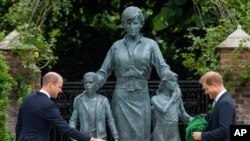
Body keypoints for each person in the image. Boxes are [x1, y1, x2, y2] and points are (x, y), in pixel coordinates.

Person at [96, 6, 177, 141]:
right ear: (123, 24)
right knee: (123, 136)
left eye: (136, 23)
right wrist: (93, 81)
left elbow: (162, 67)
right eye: (129, 23)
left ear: (141, 24)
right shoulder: (116, 46)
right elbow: (103, 72)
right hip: (121, 97)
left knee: (141, 135)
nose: (132, 26)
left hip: (141, 95)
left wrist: (171, 77)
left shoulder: (150, 45)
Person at [15, 72, 104, 141]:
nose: (60, 90)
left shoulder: (28, 99)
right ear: (51, 84)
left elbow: (19, 125)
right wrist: (91, 139)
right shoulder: (48, 105)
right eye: (59, 87)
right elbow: (65, 129)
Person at [69, 72, 119, 141]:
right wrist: (73, 136)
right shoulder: (80, 101)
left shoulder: (104, 100)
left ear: (96, 84)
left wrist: (116, 137)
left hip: (100, 138)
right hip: (85, 138)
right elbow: (73, 120)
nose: (87, 85)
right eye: (86, 83)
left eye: (90, 82)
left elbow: (110, 120)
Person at [192, 71, 236, 141]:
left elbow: (224, 131)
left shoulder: (225, 102)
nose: (206, 92)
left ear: (214, 85)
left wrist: (202, 135)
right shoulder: (221, 100)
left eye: (207, 89)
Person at [151, 70, 193, 141]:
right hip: (160, 132)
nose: (175, 84)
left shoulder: (178, 99)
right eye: (173, 81)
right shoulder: (155, 98)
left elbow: (183, 114)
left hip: (174, 132)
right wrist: (172, 98)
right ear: (165, 82)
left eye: (176, 81)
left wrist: (194, 119)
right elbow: (163, 110)